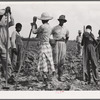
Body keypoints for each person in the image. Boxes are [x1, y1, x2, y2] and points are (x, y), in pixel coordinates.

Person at [32, 12, 55, 84]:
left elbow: (34, 31)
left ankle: (45, 77)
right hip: (48, 45)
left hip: (43, 46)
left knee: (43, 61)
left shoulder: (42, 26)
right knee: (49, 61)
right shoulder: (49, 27)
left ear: (42, 20)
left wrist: (33, 23)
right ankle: (49, 76)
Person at [51, 15, 69, 81]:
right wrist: (52, 41)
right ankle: (54, 77)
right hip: (56, 43)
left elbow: (67, 36)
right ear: (59, 21)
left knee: (62, 60)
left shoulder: (66, 29)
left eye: (63, 20)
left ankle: (60, 76)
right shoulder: (54, 28)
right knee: (55, 60)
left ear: (64, 21)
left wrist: (65, 43)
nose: (62, 21)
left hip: (63, 44)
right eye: (61, 20)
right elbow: (49, 35)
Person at [0, 7, 15, 84]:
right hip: (1, 46)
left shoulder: (5, 25)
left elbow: (12, 22)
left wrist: (10, 13)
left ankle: (8, 77)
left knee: (7, 62)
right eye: (3, 16)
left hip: (4, 47)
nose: (5, 18)